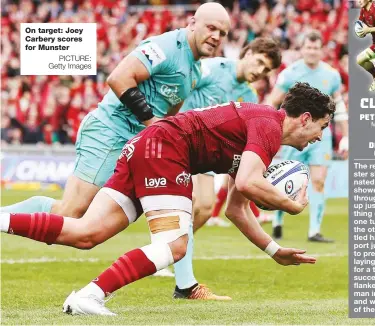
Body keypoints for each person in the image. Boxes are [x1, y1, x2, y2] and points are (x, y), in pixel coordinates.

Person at [1, 82, 334, 316]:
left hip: (148, 145)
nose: (320, 136)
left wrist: (274, 251)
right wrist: (289, 204)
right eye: (321, 126)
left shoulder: (260, 128)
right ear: (304, 118)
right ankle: (90, 295)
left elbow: (236, 207)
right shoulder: (269, 125)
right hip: (167, 149)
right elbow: (249, 182)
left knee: (86, 233)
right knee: (175, 244)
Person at [1, 2, 231, 298]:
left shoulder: (195, 70)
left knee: (180, 205)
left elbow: (170, 113)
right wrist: (153, 124)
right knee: (70, 213)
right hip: (110, 132)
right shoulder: (166, 47)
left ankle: (186, 285)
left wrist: (167, 138)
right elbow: (119, 78)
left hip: (138, 144)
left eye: (222, 33)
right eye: (211, 28)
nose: (215, 36)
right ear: (193, 22)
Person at [172, 37, 281, 300]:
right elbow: (181, 87)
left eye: (266, 70)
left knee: (205, 207)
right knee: (197, 203)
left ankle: (171, 253)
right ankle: (175, 264)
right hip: (180, 138)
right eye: (259, 62)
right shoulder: (214, 68)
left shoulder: (250, 96)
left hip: (206, 155)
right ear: (248, 52)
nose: (259, 72)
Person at [267, 30, 349, 243]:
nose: (312, 51)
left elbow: (338, 106)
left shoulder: (331, 75)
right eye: (308, 47)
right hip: (292, 135)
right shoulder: (290, 73)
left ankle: (314, 231)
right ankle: (277, 221)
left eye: (316, 47)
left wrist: (346, 136)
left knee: (319, 181)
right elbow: (272, 102)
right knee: (285, 180)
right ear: (302, 49)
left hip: (321, 137)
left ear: (321, 50)